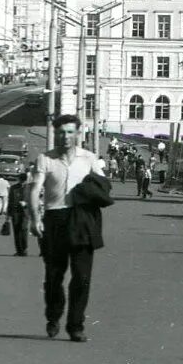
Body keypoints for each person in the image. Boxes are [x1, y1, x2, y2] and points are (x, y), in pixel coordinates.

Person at [29, 114, 106, 341]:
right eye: (61, 132)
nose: (65, 136)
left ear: (78, 133)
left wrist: (91, 192)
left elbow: (103, 185)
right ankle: (53, 316)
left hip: (81, 219)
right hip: (55, 219)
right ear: (55, 134)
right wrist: (35, 218)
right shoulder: (45, 159)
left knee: (82, 276)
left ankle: (76, 325)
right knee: (54, 275)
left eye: (70, 132)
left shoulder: (89, 158)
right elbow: (35, 189)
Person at [7, 172, 31, 256]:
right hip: (15, 211)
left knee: (24, 229)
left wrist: (26, 203)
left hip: (25, 212)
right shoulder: (13, 188)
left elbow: (33, 200)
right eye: (21, 180)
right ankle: (19, 250)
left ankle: (24, 249)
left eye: (24, 181)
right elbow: (10, 201)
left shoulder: (30, 188)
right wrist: (8, 214)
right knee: (16, 230)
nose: (22, 182)